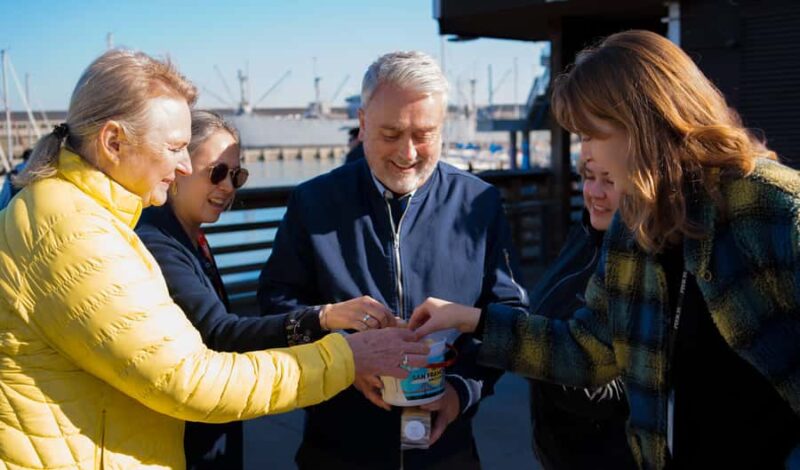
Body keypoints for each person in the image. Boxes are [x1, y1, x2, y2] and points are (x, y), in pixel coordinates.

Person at [0, 49, 427, 470]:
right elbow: (193, 380)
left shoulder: (75, 215)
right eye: (175, 148)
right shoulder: (76, 233)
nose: (185, 166)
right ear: (113, 141)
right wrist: (347, 357)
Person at [409, 30, 800, 469]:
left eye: (591, 133)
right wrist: (472, 320)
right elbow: (590, 351)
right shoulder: (636, 223)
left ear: (645, 121)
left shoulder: (772, 207)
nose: (585, 155)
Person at [258, 50, 529, 469]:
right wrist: (343, 362)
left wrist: (462, 390)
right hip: (338, 446)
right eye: (390, 133)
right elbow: (277, 302)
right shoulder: (312, 201)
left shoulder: (481, 202)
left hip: (448, 449)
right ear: (363, 123)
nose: (408, 153)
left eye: (425, 134)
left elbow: (507, 312)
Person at [136, 109, 399, 469]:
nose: (227, 186)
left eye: (236, 175)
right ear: (180, 166)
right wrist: (323, 317)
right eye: (216, 172)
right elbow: (220, 333)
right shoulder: (158, 243)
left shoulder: (186, 235)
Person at [526, 156, 634, 469]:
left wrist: (524, 348)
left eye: (609, 180)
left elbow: (621, 390)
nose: (594, 192)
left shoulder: (646, 257)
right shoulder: (588, 230)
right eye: (588, 177)